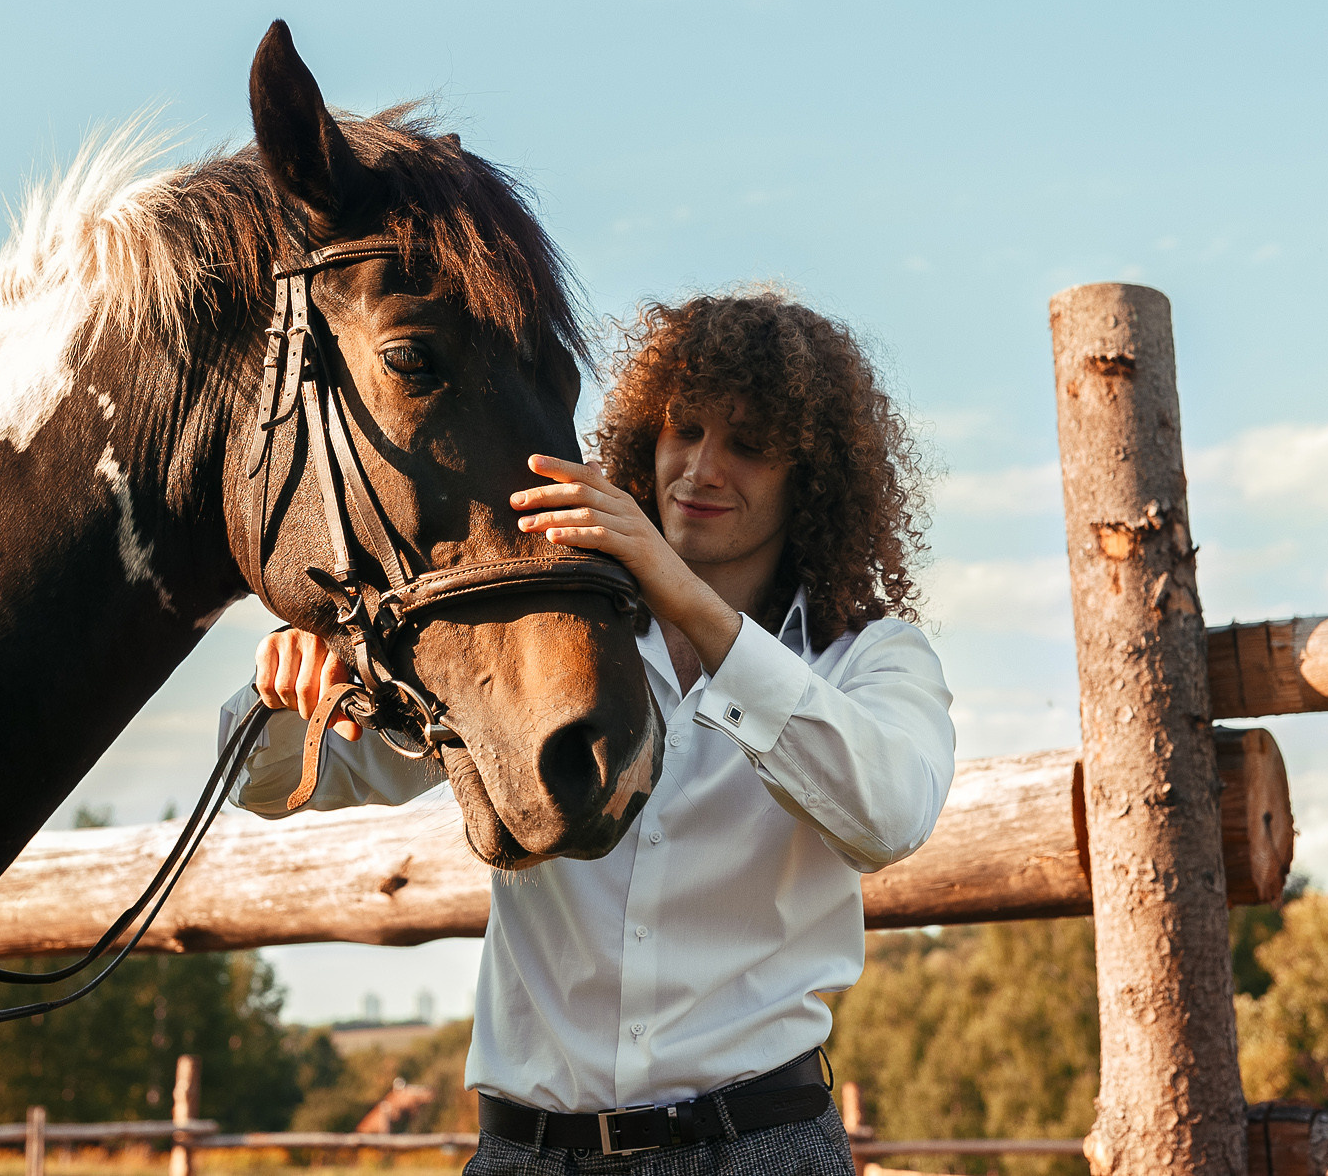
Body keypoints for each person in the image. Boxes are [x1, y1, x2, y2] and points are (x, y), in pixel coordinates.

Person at [220, 286, 956, 1173]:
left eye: (750, 447)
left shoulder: (873, 659)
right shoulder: (538, 649)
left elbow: (887, 817)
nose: (700, 469)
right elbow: (263, 783)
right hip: (528, 1154)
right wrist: (291, 687)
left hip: (761, 1149)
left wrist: (685, 598)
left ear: (813, 476)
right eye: (683, 430)